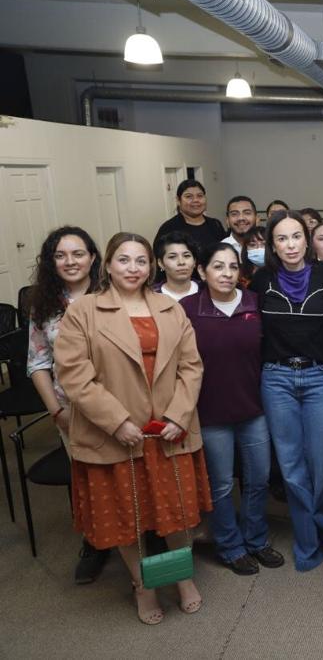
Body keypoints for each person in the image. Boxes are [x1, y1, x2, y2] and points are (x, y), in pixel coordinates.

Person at [54, 232, 210, 625]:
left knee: (174, 514)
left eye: (141, 261)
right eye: (123, 260)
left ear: (151, 267)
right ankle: (144, 585)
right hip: (115, 436)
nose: (133, 268)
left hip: (167, 433)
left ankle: (181, 577)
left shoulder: (170, 309)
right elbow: (74, 376)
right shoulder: (83, 312)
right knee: (128, 517)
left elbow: (191, 366)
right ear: (106, 265)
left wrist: (178, 415)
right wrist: (116, 422)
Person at [249, 212, 323, 571]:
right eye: (282, 238)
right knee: (291, 466)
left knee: (322, 461)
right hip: (277, 378)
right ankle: (308, 540)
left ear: (307, 240)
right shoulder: (262, 279)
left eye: (296, 236)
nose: (290, 245)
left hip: (318, 376)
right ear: (272, 245)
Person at [180, 244, 285, 575]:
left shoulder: (254, 302)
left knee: (258, 479)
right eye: (217, 266)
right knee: (222, 484)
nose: (226, 274)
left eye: (232, 267)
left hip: (253, 408)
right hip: (210, 412)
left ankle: (256, 539)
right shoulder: (187, 309)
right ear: (202, 271)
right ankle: (230, 546)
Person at [26, 226, 109, 584]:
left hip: (120, 406)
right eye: (60, 255)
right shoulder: (44, 305)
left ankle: (141, 535)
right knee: (87, 480)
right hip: (71, 411)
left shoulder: (112, 294)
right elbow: (37, 362)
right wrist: (56, 411)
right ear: (51, 261)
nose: (70, 261)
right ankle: (95, 542)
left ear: (93, 257)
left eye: (78, 253)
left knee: (127, 475)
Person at [154, 179, 226, 253]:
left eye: (200, 196)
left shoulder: (215, 225)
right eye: (189, 196)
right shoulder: (169, 228)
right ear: (178, 200)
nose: (195, 200)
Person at [153, 231, 200, 301]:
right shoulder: (151, 295)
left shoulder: (208, 290)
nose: (181, 262)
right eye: (172, 257)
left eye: (186, 256)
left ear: (194, 261)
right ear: (161, 263)